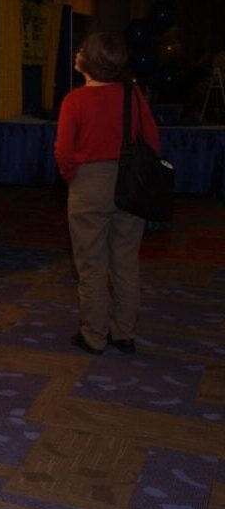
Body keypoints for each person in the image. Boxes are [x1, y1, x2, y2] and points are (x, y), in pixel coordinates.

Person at [55, 31, 160, 355]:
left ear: (90, 60)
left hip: (90, 185)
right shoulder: (133, 96)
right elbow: (153, 144)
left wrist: (76, 178)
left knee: (91, 265)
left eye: (82, 49)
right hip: (130, 183)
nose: (77, 53)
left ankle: (94, 335)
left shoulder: (75, 100)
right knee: (126, 262)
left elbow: (64, 152)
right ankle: (124, 332)